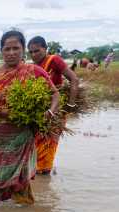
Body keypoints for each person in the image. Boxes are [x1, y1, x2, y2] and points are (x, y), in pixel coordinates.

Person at [0, 30, 59, 204]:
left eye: (16, 48)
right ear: (1, 51)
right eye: (7, 49)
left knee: (20, 180)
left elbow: (55, 94)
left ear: (23, 50)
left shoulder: (34, 71)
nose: (11, 52)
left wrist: (49, 112)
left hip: (21, 136)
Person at [28, 36, 79, 175]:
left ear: (45, 49)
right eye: (31, 52)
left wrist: (71, 104)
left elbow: (74, 78)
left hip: (56, 108)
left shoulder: (54, 60)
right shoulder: (33, 67)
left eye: (37, 51)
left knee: (49, 142)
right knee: (37, 141)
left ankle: (44, 174)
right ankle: (39, 174)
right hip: (41, 110)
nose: (33, 55)